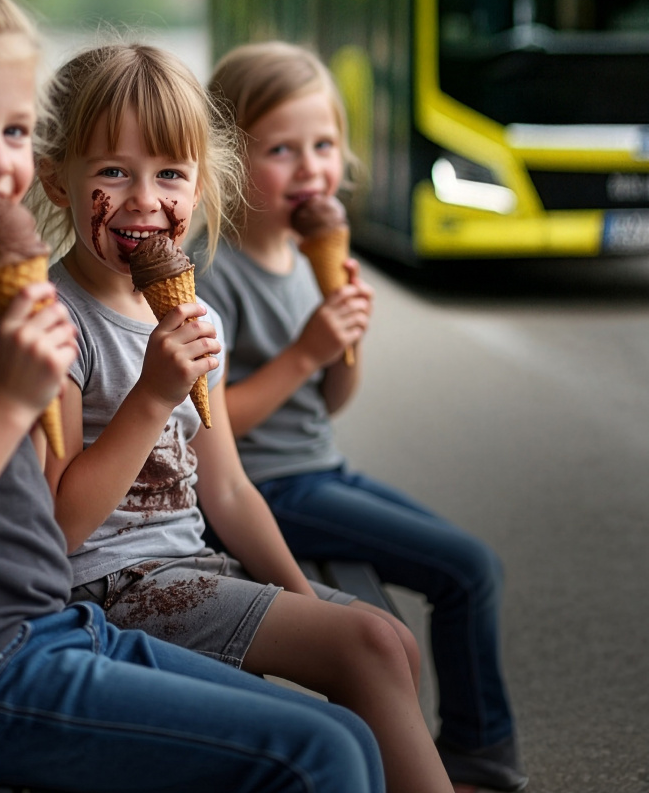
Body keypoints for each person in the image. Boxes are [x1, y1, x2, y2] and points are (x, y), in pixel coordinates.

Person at [0, 0, 388, 793]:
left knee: (344, 735)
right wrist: (13, 401)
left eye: (9, 132)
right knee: (317, 756)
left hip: (50, 631)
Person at [32, 41, 455, 793]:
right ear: (56, 182)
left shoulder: (196, 317)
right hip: (106, 590)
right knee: (365, 642)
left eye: (170, 173)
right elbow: (58, 527)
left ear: (202, 185)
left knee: (392, 641)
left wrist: (295, 589)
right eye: (111, 172)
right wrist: (153, 395)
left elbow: (225, 491)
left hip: (191, 567)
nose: (143, 199)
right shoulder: (60, 326)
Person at [194, 40, 527, 793]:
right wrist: (308, 352)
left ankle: (470, 748)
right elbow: (209, 423)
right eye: (282, 148)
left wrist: (344, 346)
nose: (311, 166)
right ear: (227, 158)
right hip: (267, 488)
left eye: (324, 145)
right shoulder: (214, 272)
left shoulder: (307, 255)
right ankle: (479, 754)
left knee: (475, 562)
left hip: (319, 467)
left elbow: (331, 402)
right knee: (466, 570)